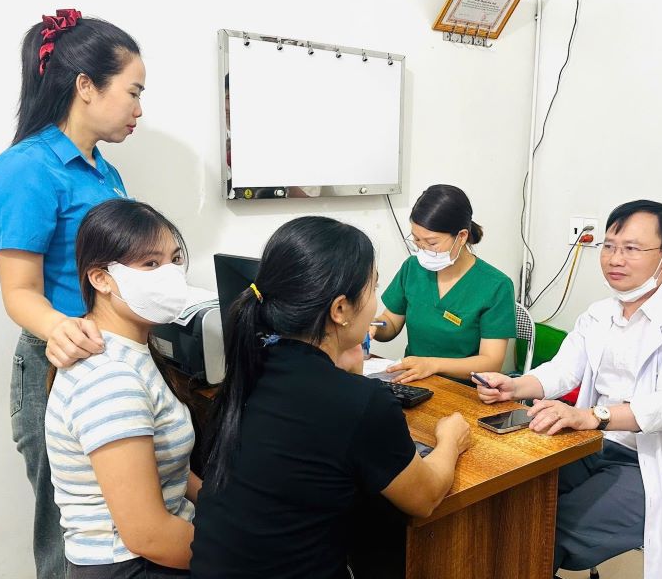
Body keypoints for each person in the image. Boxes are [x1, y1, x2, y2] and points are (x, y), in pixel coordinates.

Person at [189, 216, 471, 579]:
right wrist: (450, 441)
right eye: (372, 289)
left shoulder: (249, 371)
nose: (375, 304)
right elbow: (426, 498)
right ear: (339, 310)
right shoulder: (360, 403)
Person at [475, 200, 662, 579]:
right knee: (511, 499)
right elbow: (564, 371)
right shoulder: (600, 314)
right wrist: (513, 386)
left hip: (656, 466)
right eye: (609, 246)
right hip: (593, 445)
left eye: (631, 249)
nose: (615, 258)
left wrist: (593, 416)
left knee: (546, 530)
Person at [0, 9, 145, 579]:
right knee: (68, 539)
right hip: (57, 366)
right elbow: (19, 293)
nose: (139, 110)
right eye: (133, 92)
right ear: (85, 86)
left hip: (109, 359)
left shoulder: (104, 173)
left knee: (119, 529)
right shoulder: (24, 170)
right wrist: (61, 330)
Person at [46, 199, 199, 577]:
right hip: (133, 566)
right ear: (101, 278)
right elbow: (149, 536)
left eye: (173, 260)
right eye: (150, 264)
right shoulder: (110, 377)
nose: (169, 275)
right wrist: (250, 554)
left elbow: (170, 468)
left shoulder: (133, 351)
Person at [372, 184, 515, 384]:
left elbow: (490, 363)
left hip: (463, 391)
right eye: (416, 240)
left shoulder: (496, 286)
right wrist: (373, 327)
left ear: (462, 236)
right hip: (412, 382)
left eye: (431, 243)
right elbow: (391, 322)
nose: (422, 249)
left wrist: (432, 365)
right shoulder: (413, 268)